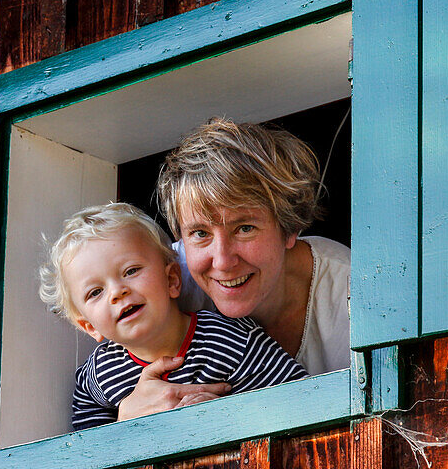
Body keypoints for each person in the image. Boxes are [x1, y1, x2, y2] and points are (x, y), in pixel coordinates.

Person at [118, 117, 350, 421]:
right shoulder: (164, 282)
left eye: (245, 228)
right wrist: (124, 415)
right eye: (200, 233)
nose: (223, 261)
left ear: (289, 227)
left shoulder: (353, 294)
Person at [38, 203, 307, 430]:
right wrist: (121, 426)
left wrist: (228, 414)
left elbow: (301, 398)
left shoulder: (232, 340)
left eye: (131, 271)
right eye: (96, 292)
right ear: (89, 326)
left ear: (172, 279)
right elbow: (87, 449)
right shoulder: (101, 372)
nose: (117, 292)